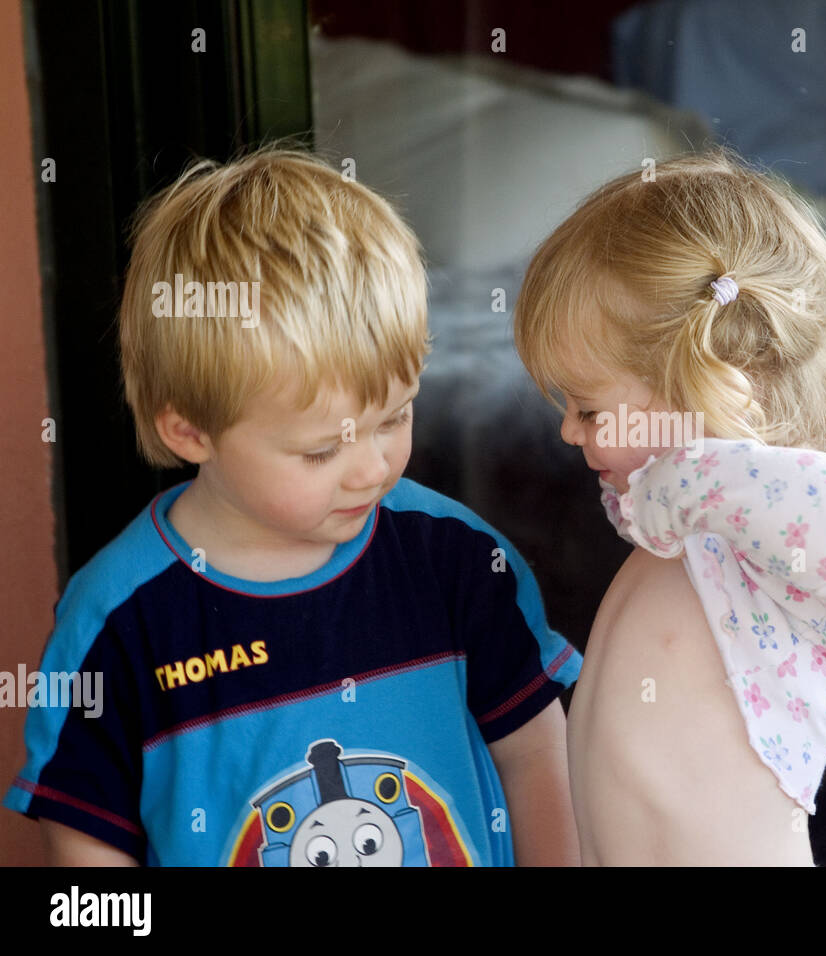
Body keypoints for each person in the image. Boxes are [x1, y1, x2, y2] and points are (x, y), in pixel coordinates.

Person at [3, 147, 582, 867]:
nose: (372, 469)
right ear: (189, 430)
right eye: (319, 453)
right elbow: (85, 848)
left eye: (395, 418)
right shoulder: (118, 623)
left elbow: (536, 756)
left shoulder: (459, 560)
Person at [513, 149, 826, 865]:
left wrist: (693, 467)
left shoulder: (783, 557)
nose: (567, 431)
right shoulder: (691, 535)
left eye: (586, 407)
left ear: (708, 387)